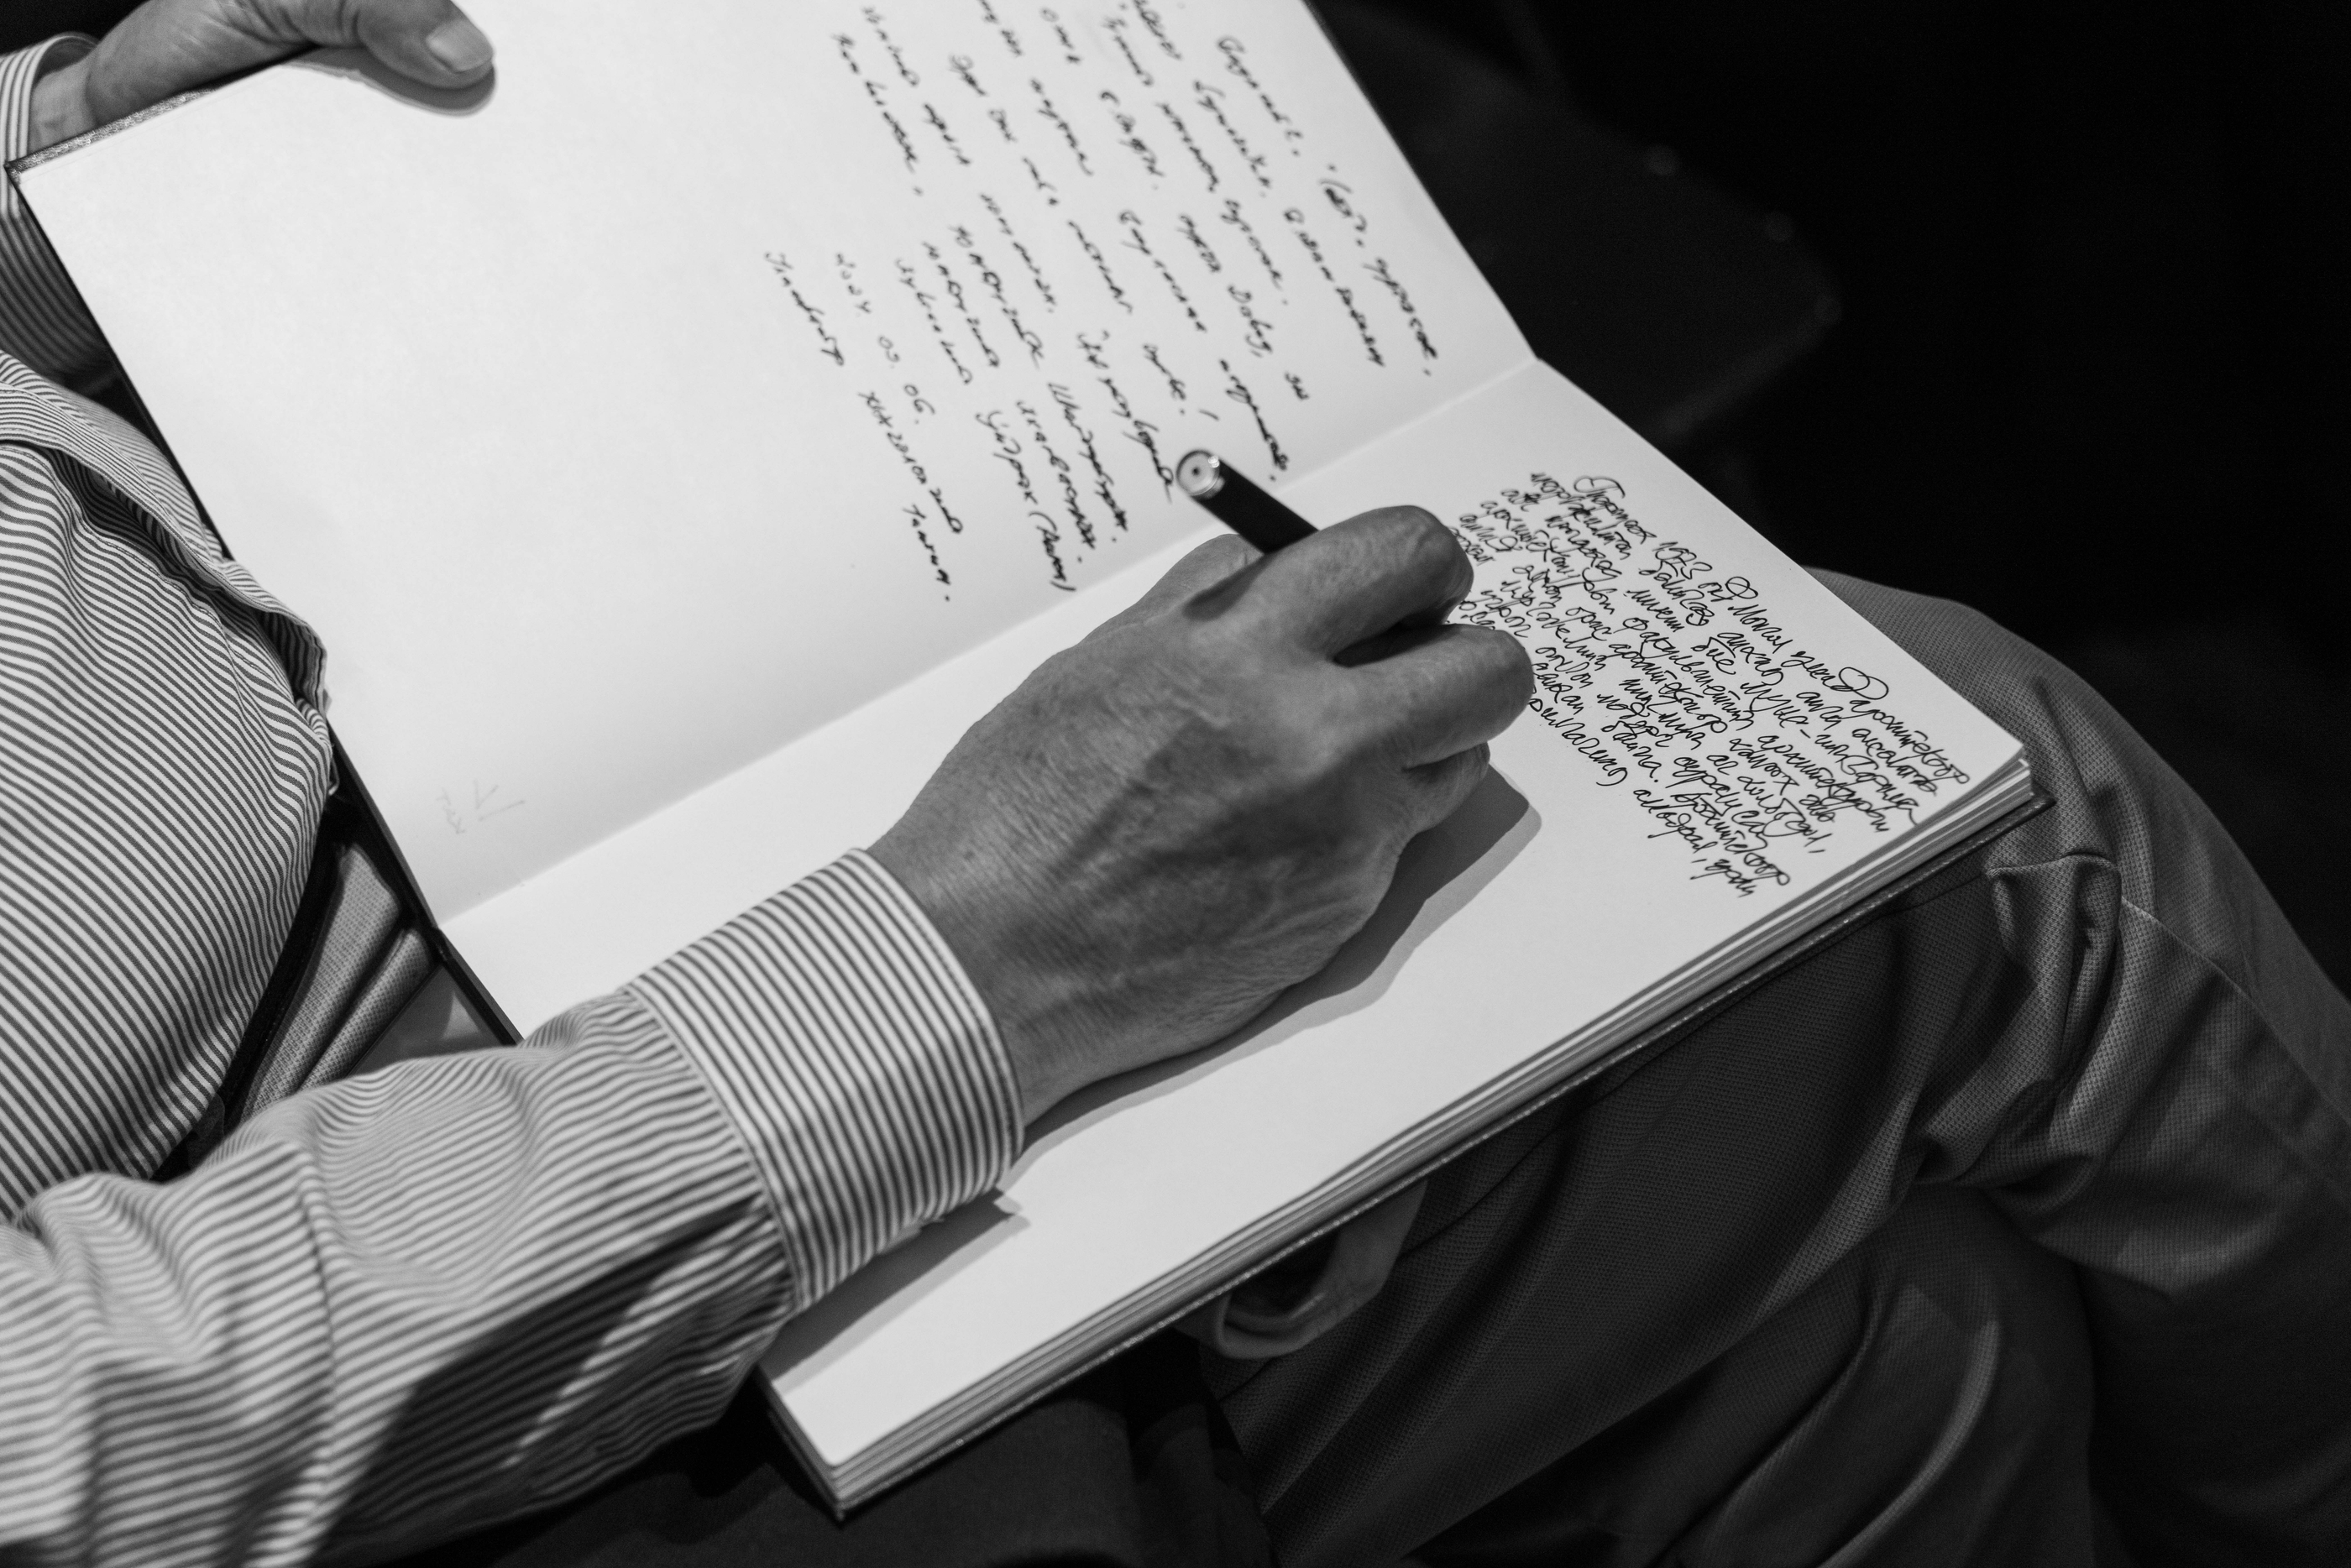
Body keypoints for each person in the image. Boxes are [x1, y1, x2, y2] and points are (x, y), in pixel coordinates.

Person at [2, 4, 2347, 1567]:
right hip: (419, 1149)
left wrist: (58, 170)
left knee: (1911, 1359)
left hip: (352, 640)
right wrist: (977, 962)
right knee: (2000, 809)